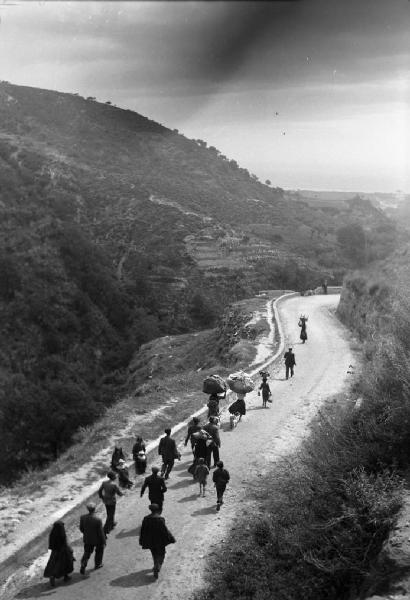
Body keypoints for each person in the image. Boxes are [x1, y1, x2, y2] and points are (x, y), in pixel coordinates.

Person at [139, 503, 176, 579]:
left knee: (154, 553)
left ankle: (156, 564)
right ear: (158, 510)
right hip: (160, 540)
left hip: (150, 540)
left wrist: (141, 540)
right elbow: (165, 530)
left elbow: (142, 531)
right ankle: (158, 566)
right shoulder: (160, 519)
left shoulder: (146, 519)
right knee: (162, 553)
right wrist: (171, 538)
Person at [43, 521, 75, 587]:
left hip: (54, 552)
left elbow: (50, 544)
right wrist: (70, 549)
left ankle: (52, 576)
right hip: (63, 551)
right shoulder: (62, 534)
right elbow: (65, 543)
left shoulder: (52, 533)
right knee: (66, 563)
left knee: (54, 564)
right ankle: (66, 577)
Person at [79, 502, 106, 575]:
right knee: (99, 551)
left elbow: (81, 529)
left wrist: (86, 533)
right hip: (97, 540)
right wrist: (104, 541)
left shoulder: (82, 517)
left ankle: (83, 564)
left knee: (87, 552)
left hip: (87, 539)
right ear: (95, 509)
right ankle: (97, 564)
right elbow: (101, 532)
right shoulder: (98, 519)